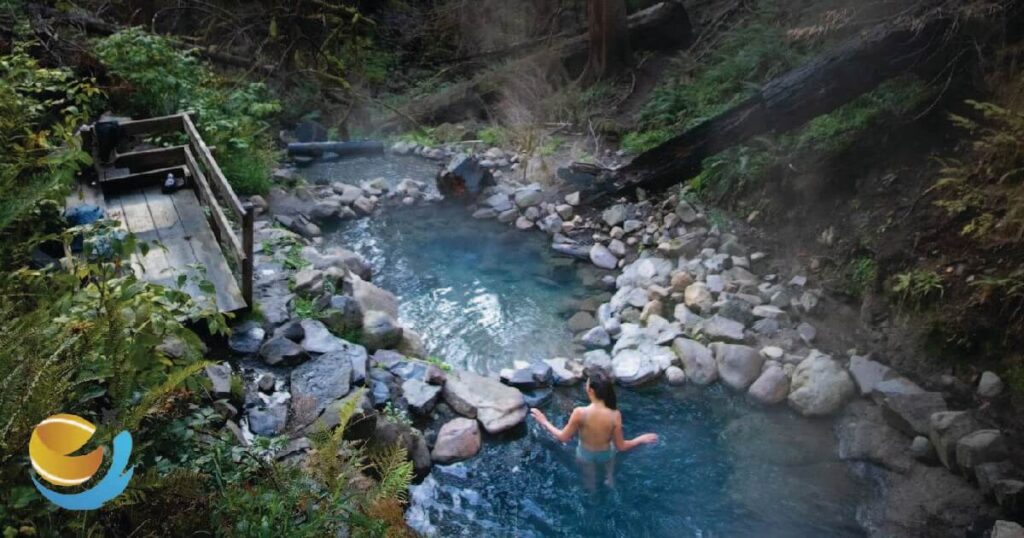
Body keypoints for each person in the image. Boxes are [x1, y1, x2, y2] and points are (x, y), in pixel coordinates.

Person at [530, 370, 658, 490]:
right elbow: (621, 446)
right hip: (607, 455)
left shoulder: (579, 412)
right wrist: (641, 439)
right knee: (609, 477)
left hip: (586, 456)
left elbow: (563, 437)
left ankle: (593, 499)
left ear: (590, 390)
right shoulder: (615, 414)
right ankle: (609, 479)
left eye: (586, 384)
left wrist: (544, 421)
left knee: (589, 484)